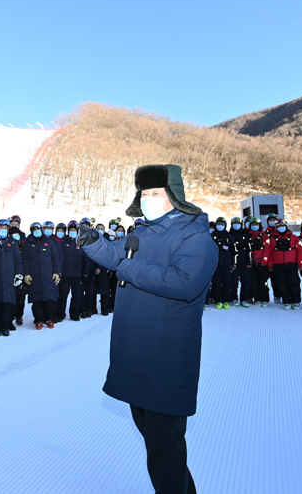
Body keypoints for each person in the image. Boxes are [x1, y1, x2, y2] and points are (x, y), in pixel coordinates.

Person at [79, 164, 217, 494]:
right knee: (159, 447)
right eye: (144, 194)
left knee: (164, 452)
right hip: (134, 350)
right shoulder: (142, 232)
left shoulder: (195, 237)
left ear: (175, 196)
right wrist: (95, 243)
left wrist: (129, 267)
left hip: (166, 356)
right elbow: (118, 254)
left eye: (156, 193)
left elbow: (184, 283)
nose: (148, 199)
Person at [23, 222, 61, 330]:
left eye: (38, 229)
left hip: (48, 276)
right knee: (37, 300)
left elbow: (55, 258)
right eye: (34, 230)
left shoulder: (49, 242)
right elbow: (25, 260)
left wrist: (56, 272)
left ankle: (49, 319)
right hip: (34, 276)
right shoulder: (28, 243)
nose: (37, 231)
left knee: (50, 299)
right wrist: (26, 273)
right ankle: (38, 320)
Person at [0, 220, 23, 336]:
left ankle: (5, 325)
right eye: (1, 227)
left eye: (5, 228)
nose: (3, 230)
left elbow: (18, 260)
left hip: (9, 278)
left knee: (7, 304)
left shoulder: (12, 242)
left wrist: (19, 274)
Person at [264, 219, 302, 310]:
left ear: (286, 226)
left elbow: (300, 251)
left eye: (282, 226)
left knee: (294, 283)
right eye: (279, 227)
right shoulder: (272, 239)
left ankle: (296, 301)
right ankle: (286, 301)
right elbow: (270, 253)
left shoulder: (294, 238)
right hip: (278, 265)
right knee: (282, 283)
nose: (281, 228)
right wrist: (270, 265)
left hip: (291, 264)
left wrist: (300, 263)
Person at [210, 217, 236, 310]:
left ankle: (226, 300)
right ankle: (218, 300)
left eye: (222, 224)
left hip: (226, 263)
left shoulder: (229, 236)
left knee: (227, 282)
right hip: (216, 264)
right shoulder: (212, 236)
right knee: (217, 282)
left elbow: (233, 251)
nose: (220, 226)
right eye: (218, 224)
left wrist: (233, 263)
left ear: (225, 226)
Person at [229, 216, 252, 307]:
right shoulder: (229, 235)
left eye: (238, 223)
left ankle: (244, 299)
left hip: (244, 262)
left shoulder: (245, 235)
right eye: (234, 223)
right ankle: (233, 298)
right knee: (233, 282)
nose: (236, 225)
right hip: (234, 263)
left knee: (246, 282)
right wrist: (231, 263)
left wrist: (249, 262)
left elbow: (249, 250)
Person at [248, 217, 270, 307]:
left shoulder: (264, 236)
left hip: (262, 263)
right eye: (253, 225)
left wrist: (264, 260)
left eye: (256, 225)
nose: (254, 226)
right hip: (252, 263)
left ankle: (264, 299)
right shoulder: (248, 235)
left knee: (263, 282)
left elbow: (267, 249)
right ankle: (257, 298)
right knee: (254, 282)